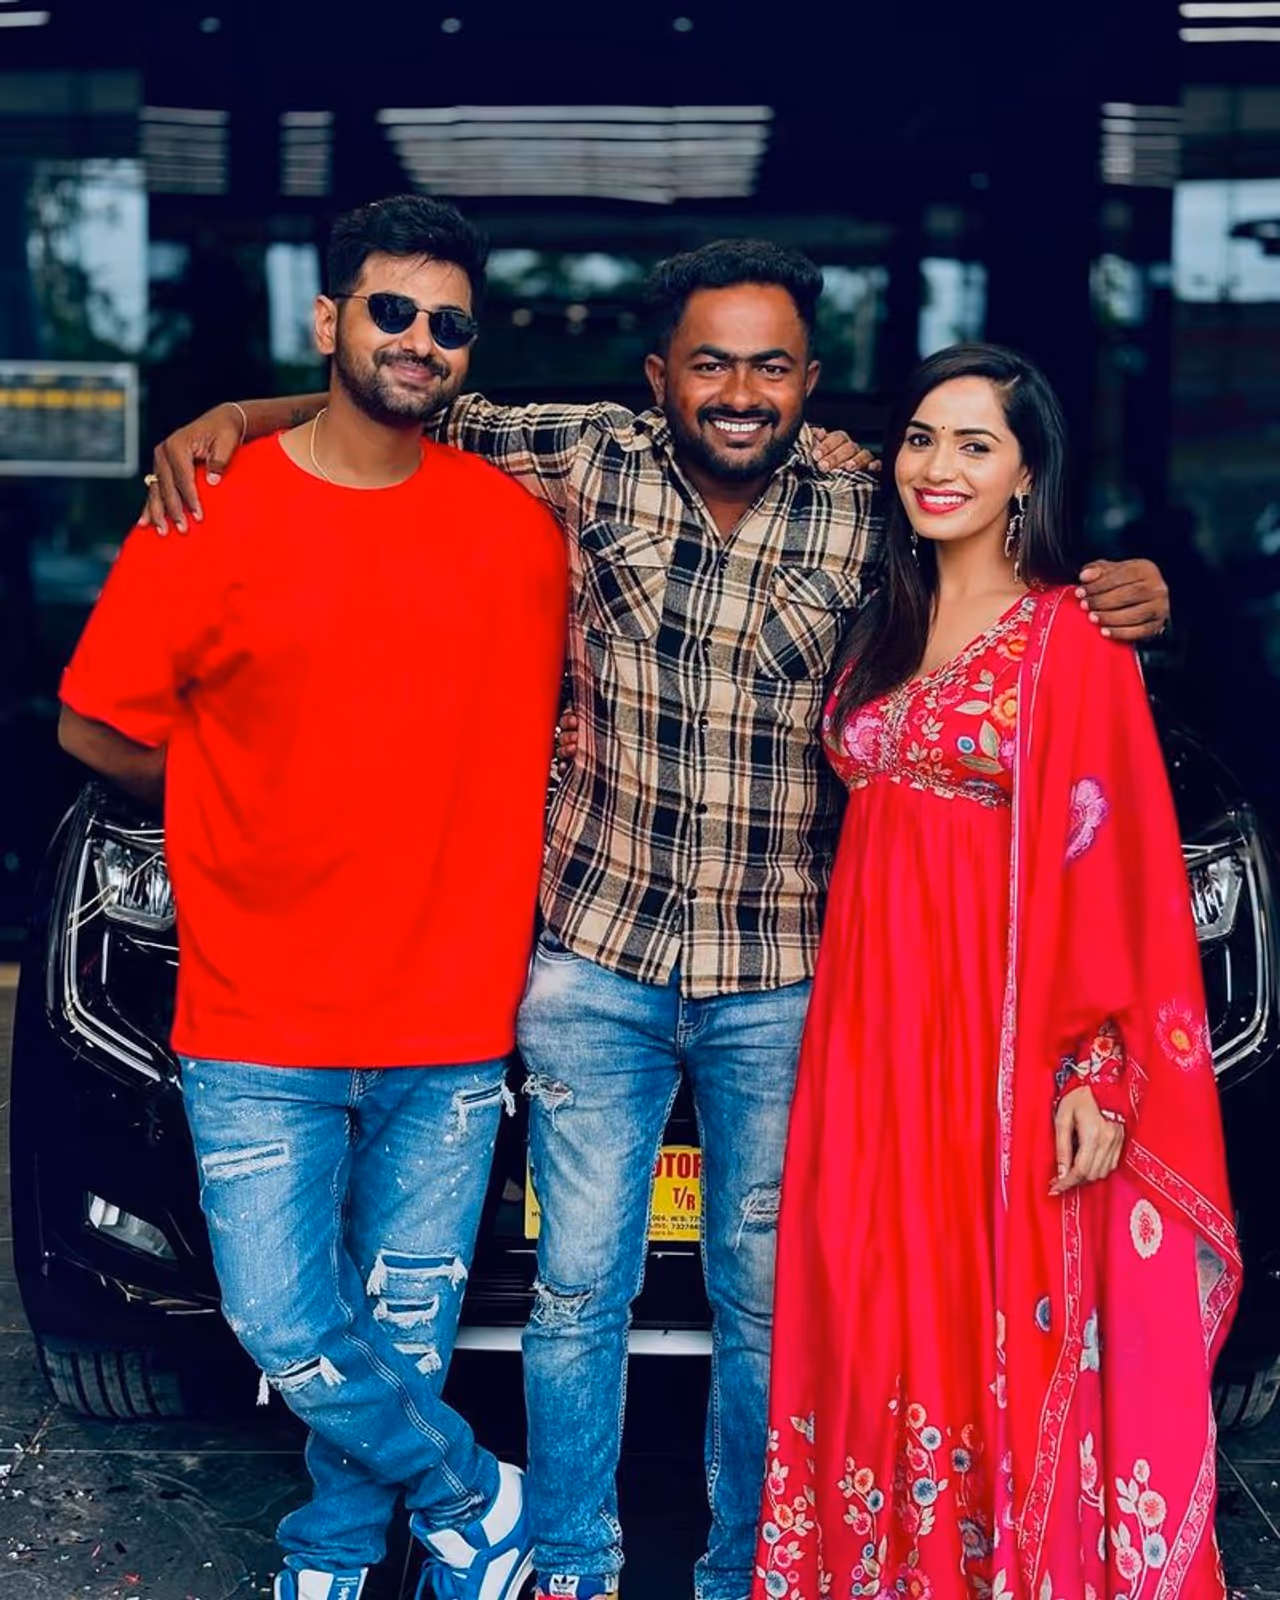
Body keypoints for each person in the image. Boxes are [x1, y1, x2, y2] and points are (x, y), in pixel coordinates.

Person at [144, 245, 1173, 1600]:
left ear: (810, 382)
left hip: (785, 973)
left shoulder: (868, 498)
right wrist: (236, 415)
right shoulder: (585, 456)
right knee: (578, 1291)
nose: (739, 392)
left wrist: (1120, 587)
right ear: (658, 375)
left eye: (770, 366)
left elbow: (990, 551)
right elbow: (399, 394)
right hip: (595, 963)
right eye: (710, 363)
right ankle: (572, 1557)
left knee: (765, 1297)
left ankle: (745, 1567)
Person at [57, 194, 567, 1600]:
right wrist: (234, 793)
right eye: (391, 309)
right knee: (281, 1319)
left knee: (403, 1332)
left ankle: (335, 1557)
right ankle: (475, 1494)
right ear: (329, 318)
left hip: (450, 1012)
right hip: (258, 1006)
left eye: (448, 322)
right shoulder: (211, 506)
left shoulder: (520, 529)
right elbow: (95, 723)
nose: (419, 339)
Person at [752, 344, 1240, 1600]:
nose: (940, 466)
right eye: (921, 438)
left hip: (1001, 1024)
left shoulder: (1072, 634)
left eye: (976, 444)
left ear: (1027, 472)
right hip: (867, 1025)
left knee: (989, 1294)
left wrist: (1095, 1064)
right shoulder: (880, 623)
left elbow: (1116, 859)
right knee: (870, 1286)